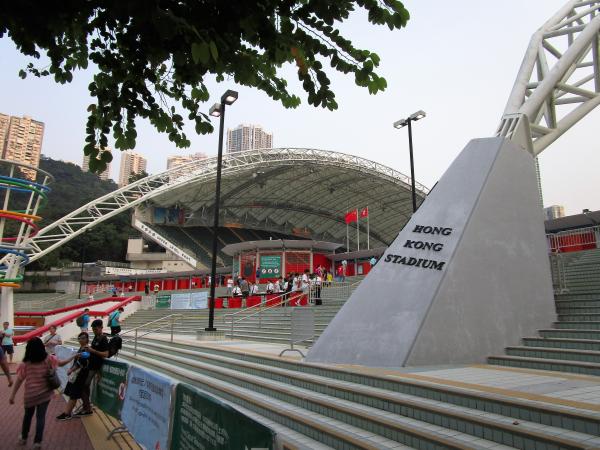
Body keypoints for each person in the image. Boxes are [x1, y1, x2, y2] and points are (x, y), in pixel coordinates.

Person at [9, 337, 77, 447]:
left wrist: (12, 395)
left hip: (30, 395)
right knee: (41, 418)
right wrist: (74, 356)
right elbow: (61, 363)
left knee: (27, 416)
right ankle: (37, 442)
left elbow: (19, 380)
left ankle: (24, 437)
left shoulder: (25, 363)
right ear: (42, 347)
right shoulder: (49, 359)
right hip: (45, 395)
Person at [76, 319, 109, 417]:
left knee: (83, 385)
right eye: (93, 329)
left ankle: (87, 408)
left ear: (101, 328)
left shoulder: (103, 339)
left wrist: (92, 351)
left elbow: (105, 354)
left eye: (95, 329)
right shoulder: (96, 337)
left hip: (95, 366)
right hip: (91, 365)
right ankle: (87, 406)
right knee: (85, 386)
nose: (94, 331)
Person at [56, 332, 92, 421]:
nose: (81, 340)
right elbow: (77, 361)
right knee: (80, 392)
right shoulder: (81, 348)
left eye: (83, 338)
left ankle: (67, 413)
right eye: (79, 338)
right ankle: (87, 409)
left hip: (81, 374)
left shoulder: (87, 349)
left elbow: (82, 362)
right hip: (77, 374)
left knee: (74, 394)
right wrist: (72, 369)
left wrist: (71, 369)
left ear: (87, 339)